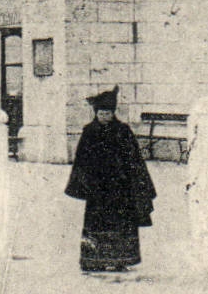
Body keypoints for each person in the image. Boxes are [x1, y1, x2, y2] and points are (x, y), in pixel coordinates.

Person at [64, 86, 157, 272]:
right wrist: (83, 181)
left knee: (121, 222)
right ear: (96, 113)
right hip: (97, 189)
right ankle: (94, 260)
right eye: (101, 112)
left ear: (113, 113)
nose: (104, 116)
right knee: (97, 223)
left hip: (120, 189)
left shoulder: (123, 131)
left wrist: (135, 182)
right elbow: (81, 159)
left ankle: (120, 259)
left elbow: (134, 159)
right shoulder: (89, 131)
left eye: (107, 113)